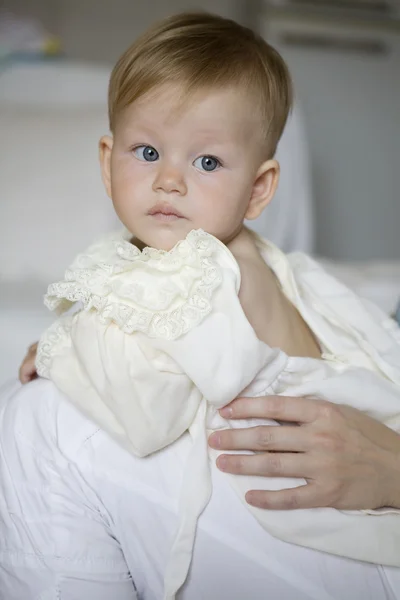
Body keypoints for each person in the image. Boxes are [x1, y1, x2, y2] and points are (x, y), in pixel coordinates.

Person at [2, 11, 400, 600]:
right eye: (146, 151)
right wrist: (81, 334)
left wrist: (69, 352)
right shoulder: (175, 261)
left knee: (25, 413)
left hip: (304, 491)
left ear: (259, 189)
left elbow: (153, 406)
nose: (169, 180)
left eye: (207, 162)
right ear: (107, 161)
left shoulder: (218, 267)